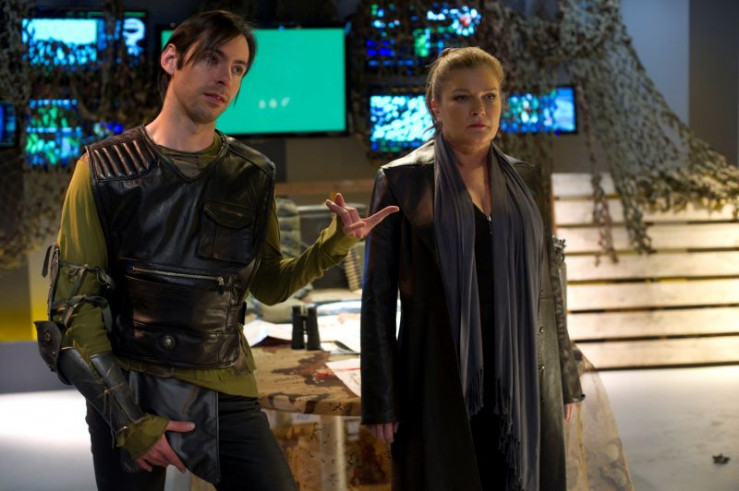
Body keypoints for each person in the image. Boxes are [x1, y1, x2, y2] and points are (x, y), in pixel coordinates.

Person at [34, 10, 397, 491]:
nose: (225, 76)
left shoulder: (252, 174)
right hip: (127, 384)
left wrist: (337, 243)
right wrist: (129, 421)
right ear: (171, 59)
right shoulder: (103, 168)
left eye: (238, 67)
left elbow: (270, 285)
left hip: (222, 382)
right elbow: (74, 308)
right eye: (211, 58)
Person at [360, 47, 584, 491]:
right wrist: (382, 399)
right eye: (462, 97)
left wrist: (564, 376)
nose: (479, 109)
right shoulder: (402, 180)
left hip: (526, 374)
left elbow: (549, 285)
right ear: (436, 106)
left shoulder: (525, 179)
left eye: (489, 96)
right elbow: (378, 297)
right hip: (438, 375)